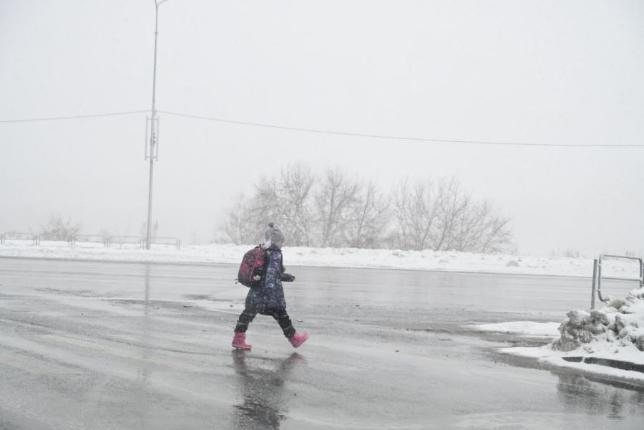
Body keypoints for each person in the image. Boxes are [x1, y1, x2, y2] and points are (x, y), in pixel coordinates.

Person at [232, 223, 309, 350]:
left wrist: (285, 277)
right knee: (282, 315)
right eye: (281, 241)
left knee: (247, 314)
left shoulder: (263, 250)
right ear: (275, 241)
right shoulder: (275, 253)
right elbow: (271, 274)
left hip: (256, 293)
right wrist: (271, 292)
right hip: (269, 295)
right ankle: (294, 339)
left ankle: (238, 339)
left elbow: (269, 272)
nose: (282, 244)